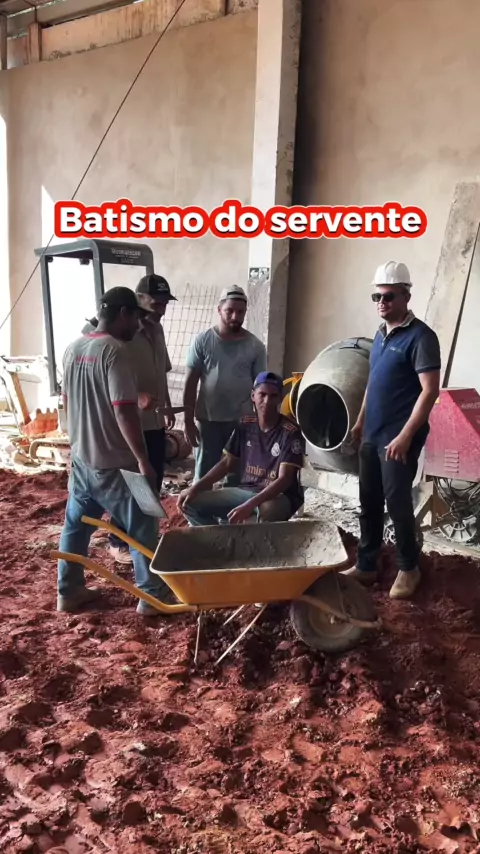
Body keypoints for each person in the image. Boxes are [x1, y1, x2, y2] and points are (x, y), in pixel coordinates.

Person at [57, 286, 170, 617]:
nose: (137, 324)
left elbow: (66, 403)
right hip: (118, 461)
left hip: (83, 459)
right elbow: (124, 412)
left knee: (76, 526)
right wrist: (142, 460)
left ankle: (68, 592)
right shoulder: (115, 352)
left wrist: (76, 444)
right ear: (123, 314)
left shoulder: (73, 348)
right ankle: (151, 596)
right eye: (135, 317)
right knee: (144, 523)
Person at [345, 261, 441, 599]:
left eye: (389, 296)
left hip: (398, 439)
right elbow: (373, 382)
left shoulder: (421, 337)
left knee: (397, 503)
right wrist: (360, 420)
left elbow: (429, 391)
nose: (382, 302)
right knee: (369, 501)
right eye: (377, 296)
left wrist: (405, 436)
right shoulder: (381, 335)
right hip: (372, 434)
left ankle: (408, 567)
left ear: (406, 296)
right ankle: (366, 565)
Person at [83, 274, 176, 565]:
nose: (161, 310)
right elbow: (97, 369)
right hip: (129, 424)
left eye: (165, 304)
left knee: (153, 480)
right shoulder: (118, 334)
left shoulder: (157, 330)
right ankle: (118, 541)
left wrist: (166, 404)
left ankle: (143, 539)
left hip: (154, 421)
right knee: (131, 487)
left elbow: (160, 371)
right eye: (156, 303)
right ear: (138, 300)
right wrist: (137, 396)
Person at [178, 372, 304, 526]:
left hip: (279, 497)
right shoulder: (245, 424)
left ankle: (247, 539)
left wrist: (249, 505)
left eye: (273, 396)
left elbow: (284, 479)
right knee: (189, 502)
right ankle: (218, 538)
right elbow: (226, 463)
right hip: (246, 491)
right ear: (253, 396)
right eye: (262, 395)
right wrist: (195, 488)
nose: (267, 401)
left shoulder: (290, 432)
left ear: (280, 398)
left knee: (267, 510)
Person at [183, 285, 267, 484]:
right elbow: (190, 383)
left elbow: (261, 389)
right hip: (209, 420)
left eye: (240, 312)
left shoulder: (255, 346)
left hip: (242, 422)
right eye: (230, 311)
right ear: (219, 310)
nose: (235, 316)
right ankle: (199, 504)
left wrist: (262, 424)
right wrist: (187, 421)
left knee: (237, 475)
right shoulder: (202, 341)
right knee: (204, 475)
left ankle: (230, 505)